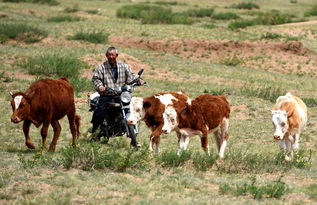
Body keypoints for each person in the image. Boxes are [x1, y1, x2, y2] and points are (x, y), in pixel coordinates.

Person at [90, 46, 143, 146]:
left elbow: (131, 76)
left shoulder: (123, 66)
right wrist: (100, 86)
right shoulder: (101, 68)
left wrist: (139, 80)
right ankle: (95, 134)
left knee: (131, 109)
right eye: (109, 55)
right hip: (107, 95)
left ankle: (134, 138)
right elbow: (96, 79)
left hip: (121, 95)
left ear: (116, 56)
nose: (111, 57)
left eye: (112, 55)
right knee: (100, 112)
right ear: (106, 56)